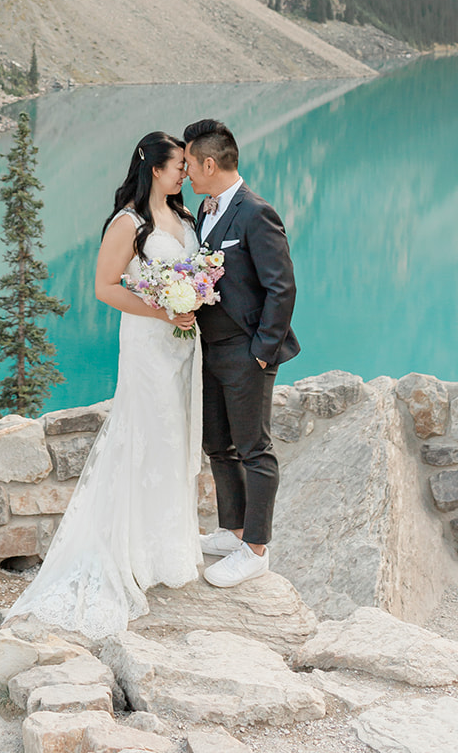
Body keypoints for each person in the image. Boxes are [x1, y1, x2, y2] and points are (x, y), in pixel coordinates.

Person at [4, 131, 202, 638]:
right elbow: (104, 287)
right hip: (148, 345)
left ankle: (165, 552)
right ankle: (129, 554)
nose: (187, 172)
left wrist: (190, 304)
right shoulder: (128, 223)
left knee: (177, 439)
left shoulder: (183, 219)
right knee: (147, 437)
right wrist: (165, 309)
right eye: (180, 164)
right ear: (155, 168)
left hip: (184, 345)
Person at [183, 117, 299, 589]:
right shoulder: (205, 210)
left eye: (189, 163)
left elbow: (282, 288)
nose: (185, 172)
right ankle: (233, 531)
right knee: (217, 443)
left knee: (254, 447)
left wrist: (261, 353)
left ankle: (255, 549)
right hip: (209, 349)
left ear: (210, 163)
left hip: (245, 352)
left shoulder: (255, 213)